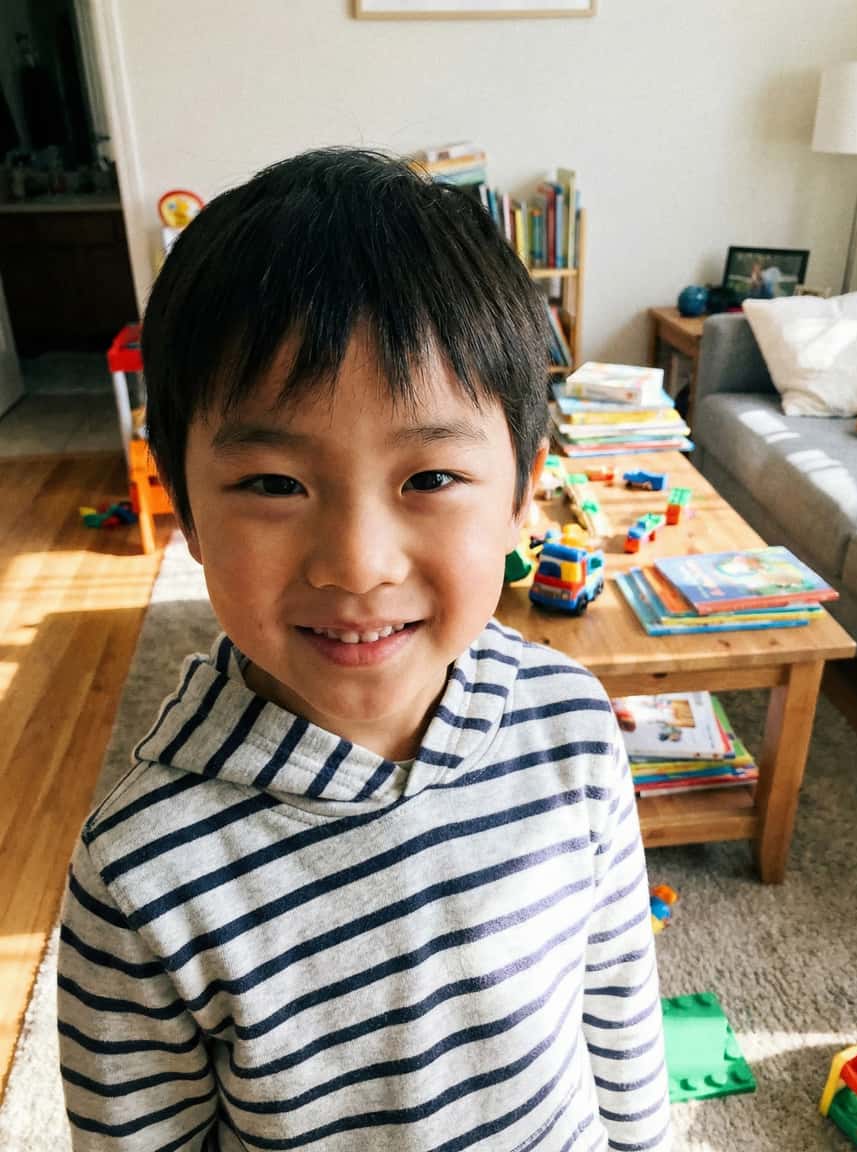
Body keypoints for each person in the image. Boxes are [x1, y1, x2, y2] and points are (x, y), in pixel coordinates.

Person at [57, 148, 670, 1151]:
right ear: (187, 511)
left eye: (430, 479)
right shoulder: (143, 872)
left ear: (522, 496)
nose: (356, 563)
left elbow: (617, 998)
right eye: (273, 484)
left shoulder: (570, 722)